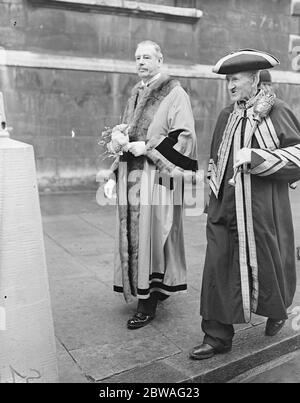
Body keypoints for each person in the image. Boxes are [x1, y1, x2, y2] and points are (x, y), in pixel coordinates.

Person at [189, 49, 300, 360]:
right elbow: (214, 159)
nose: (230, 86)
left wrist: (257, 157)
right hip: (224, 208)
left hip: (262, 210)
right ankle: (216, 336)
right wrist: (212, 201)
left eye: (235, 79)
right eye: (228, 80)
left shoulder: (277, 111)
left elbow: (298, 157)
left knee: (268, 265)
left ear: (253, 79)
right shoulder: (227, 114)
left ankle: (277, 310)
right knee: (217, 267)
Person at [104, 40, 198, 329]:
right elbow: (128, 133)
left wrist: (148, 147)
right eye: (137, 58)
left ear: (160, 59)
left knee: (155, 236)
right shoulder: (136, 93)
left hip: (157, 178)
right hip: (132, 177)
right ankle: (151, 289)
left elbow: (185, 139)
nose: (141, 62)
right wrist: (113, 170)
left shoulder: (175, 92)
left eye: (147, 57)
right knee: (143, 237)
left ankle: (148, 302)